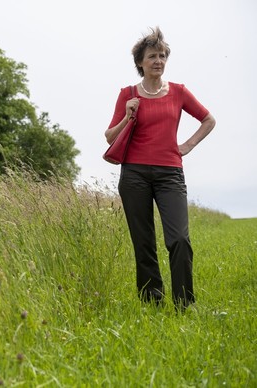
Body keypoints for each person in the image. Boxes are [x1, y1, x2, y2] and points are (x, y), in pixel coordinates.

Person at [104, 27, 216, 311]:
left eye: (162, 55)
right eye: (152, 56)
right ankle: (152, 303)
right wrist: (128, 114)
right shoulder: (127, 94)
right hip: (134, 175)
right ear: (140, 62)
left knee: (179, 238)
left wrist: (187, 145)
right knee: (143, 243)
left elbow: (208, 119)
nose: (158, 60)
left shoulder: (178, 92)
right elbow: (109, 136)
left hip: (170, 174)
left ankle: (183, 304)